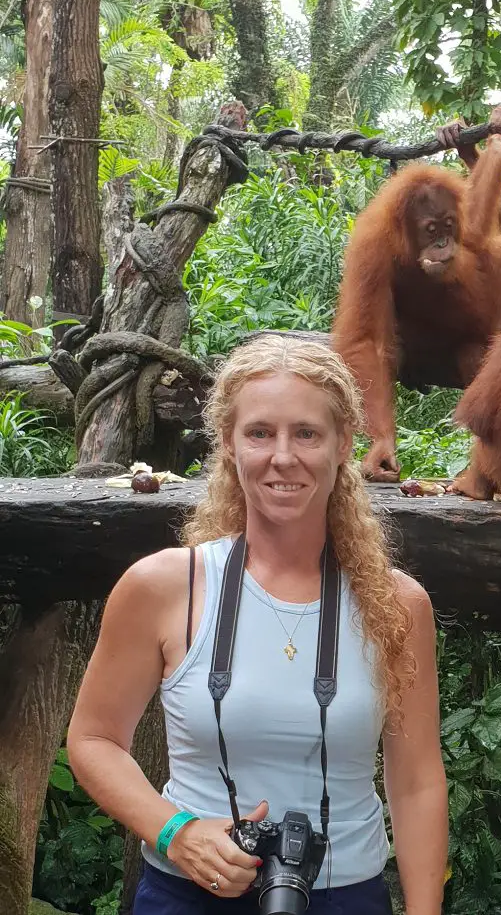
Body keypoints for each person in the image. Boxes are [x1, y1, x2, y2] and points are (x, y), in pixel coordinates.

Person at [67, 333, 448, 915]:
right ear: (227, 443)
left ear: (343, 444)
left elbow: (417, 782)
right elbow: (94, 740)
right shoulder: (167, 586)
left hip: (343, 894)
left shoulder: (395, 605)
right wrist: (176, 833)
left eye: (307, 434)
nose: (283, 456)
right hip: (190, 891)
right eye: (260, 433)